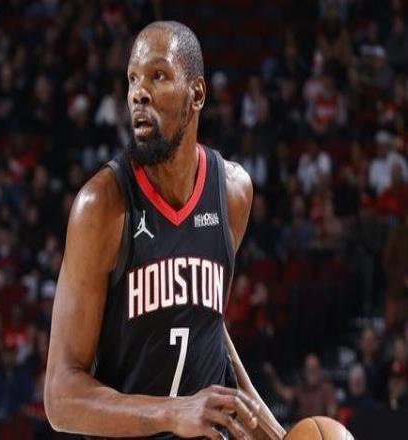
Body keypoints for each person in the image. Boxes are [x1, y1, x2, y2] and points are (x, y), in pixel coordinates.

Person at [44, 21, 285, 440]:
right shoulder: (101, 207)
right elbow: (61, 397)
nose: (139, 92)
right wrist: (173, 413)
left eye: (158, 75)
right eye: (133, 79)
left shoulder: (232, 194)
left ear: (197, 94)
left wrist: (276, 434)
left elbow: (209, 331)